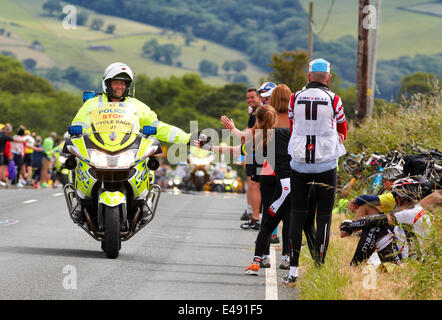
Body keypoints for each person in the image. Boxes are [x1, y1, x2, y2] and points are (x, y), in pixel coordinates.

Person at [70, 62, 194, 222]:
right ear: (107, 83)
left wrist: (187, 138)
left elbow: (158, 125)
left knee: (148, 158)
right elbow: (78, 124)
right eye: (116, 82)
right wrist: (76, 129)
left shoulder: (136, 106)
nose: (120, 86)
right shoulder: (92, 104)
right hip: (99, 149)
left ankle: (143, 202)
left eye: (123, 83)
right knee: (78, 159)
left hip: (127, 150)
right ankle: (80, 201)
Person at [284, 58, 348, 284]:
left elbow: (293, 124)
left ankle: (292, 270)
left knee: (298, 214)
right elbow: (342, 127)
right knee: (323, 217)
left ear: (309, 76)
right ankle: (319, 265)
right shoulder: (334, 99)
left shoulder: (295, 97)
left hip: (299, 162)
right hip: (326, 163)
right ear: (328, 78)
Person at [340, 178, 432, 265]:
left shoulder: (409, 213)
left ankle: (355, 265)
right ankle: (357, 264)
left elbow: (377, 220)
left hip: (407, 263)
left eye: (395, 196)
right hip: (412, 259)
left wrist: (350, 226)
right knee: (377, 226)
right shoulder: (416, 209)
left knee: (374, 229)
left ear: (400, 198)